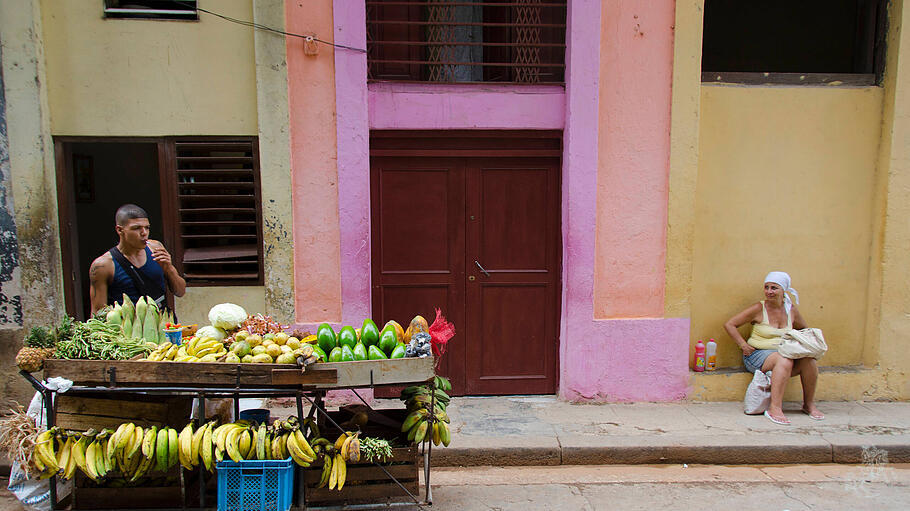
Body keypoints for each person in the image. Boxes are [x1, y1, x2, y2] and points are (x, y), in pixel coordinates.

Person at [723, 271, 824, 425]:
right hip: (757, 356)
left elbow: (804, 330)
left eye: (774, 288)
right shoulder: (758, 308)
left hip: (785, 355)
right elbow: (730, 324)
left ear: (784, 290)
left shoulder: (791, 310)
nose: (769, 292)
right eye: (766, 287)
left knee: (809, 361)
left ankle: (808, 404)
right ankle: (774, 408)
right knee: (783, 359)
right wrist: (743, 344)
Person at [89, 204, 186, 315]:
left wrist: (168, 268)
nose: (144, 233)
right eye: (136, 228)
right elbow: (97, 312)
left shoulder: (156, 248)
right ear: (120, 230)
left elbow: (180, 291)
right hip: (127, 328)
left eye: (147, 227)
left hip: (162, 323)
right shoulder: (103, 265)